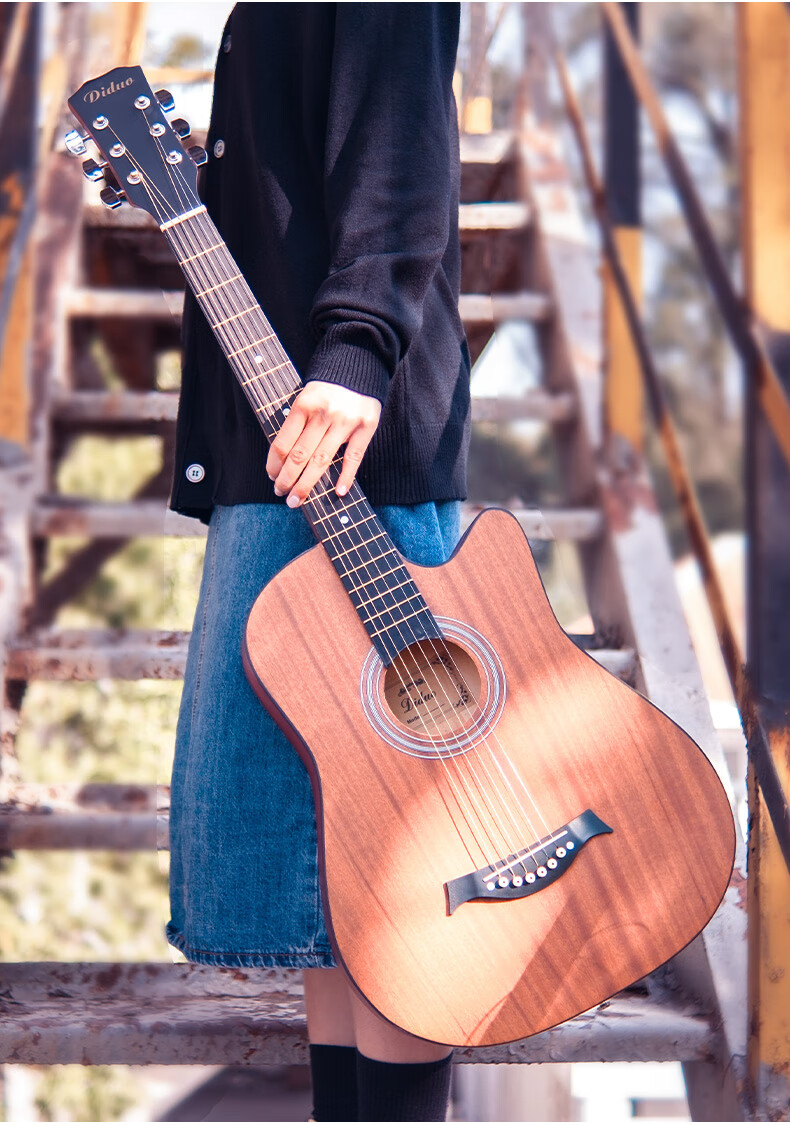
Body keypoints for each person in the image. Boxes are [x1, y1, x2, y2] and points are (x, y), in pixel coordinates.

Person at [166, 5, 471, 1120]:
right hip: (277, 443)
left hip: (347, 443)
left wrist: (357, 347)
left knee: (400, 874)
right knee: (319, 873)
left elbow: (404, 145)